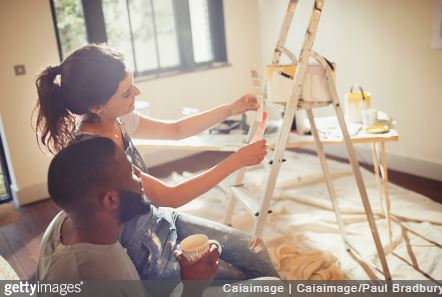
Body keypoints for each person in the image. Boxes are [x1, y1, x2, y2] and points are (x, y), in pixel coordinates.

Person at [34, 44, 278, 280]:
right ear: (97, 106)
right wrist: (236, 160)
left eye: (133, 84)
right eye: (127, 92)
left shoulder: (117, 119)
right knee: (240, 276)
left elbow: (176, 129)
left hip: (162, 218)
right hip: (149, 252)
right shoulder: (95, 153)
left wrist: (230, 109)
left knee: (256, 251)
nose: (137, 93)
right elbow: (172, 196)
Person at [38, 137, 220, 296]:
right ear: (111, 199)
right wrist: (193, 289)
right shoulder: (96, 280)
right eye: (131, 174)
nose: (141, 180)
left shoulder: (70, 220)